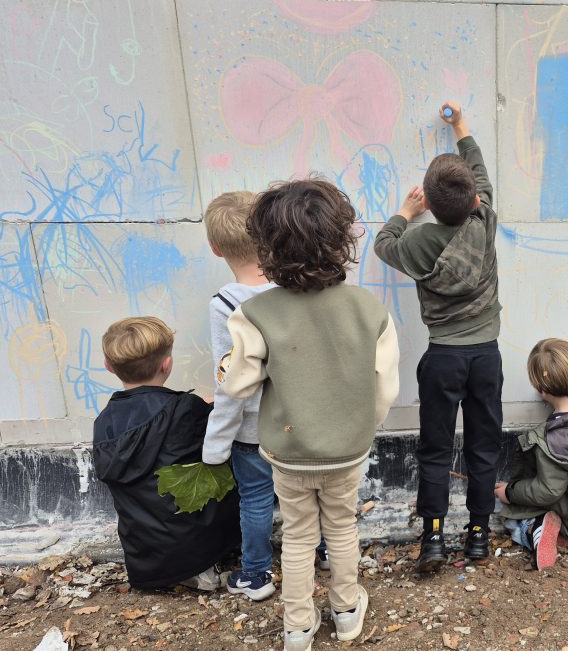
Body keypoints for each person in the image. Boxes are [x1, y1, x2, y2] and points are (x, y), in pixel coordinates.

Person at [221, 178, 400, 651]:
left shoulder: (255, 313)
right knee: (341, 526)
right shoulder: (369, 309)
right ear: (341, 240)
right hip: (346, 450)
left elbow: (237, 383)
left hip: (288, 450)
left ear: (267, 248)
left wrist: (228, 364)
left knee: (299, 536)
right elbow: (385, 388)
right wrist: (364, 427)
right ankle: (345, 611)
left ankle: (298, 626)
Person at [374, 102, 502, 572]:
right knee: (484, 444)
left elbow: (382, 244)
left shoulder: (415, 242)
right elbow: (481, 176)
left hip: (443, 357)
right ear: (473, 201)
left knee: (435, 445)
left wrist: (405, 213)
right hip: (485, 356)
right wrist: (462, 128)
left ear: (429, 202)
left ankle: (432, 538)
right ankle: (478, 533)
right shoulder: (484, 221)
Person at [93, 316, 241, 591]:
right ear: (167, 364)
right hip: (198, 546)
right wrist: (206, 405)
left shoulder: (105, 422)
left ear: (108, 367)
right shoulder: (184, 410)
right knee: (232, 457)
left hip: (145, 558)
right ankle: (206, 564)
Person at [201, 191, 277, 601]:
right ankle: (321, 552)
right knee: (308, 494)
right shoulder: (293, 286)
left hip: (251, 429)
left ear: (215, 249)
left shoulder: (225, 304)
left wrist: (215, 446)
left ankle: (257, 574)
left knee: (257, 499)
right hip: (296, 423)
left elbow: (231, 381)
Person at [494, 339, 568, 570]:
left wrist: (509, 493)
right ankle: (565, 536)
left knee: (511, 520)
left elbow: (547, 491)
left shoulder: (553, 439)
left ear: (542, 390)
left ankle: (536, 531)